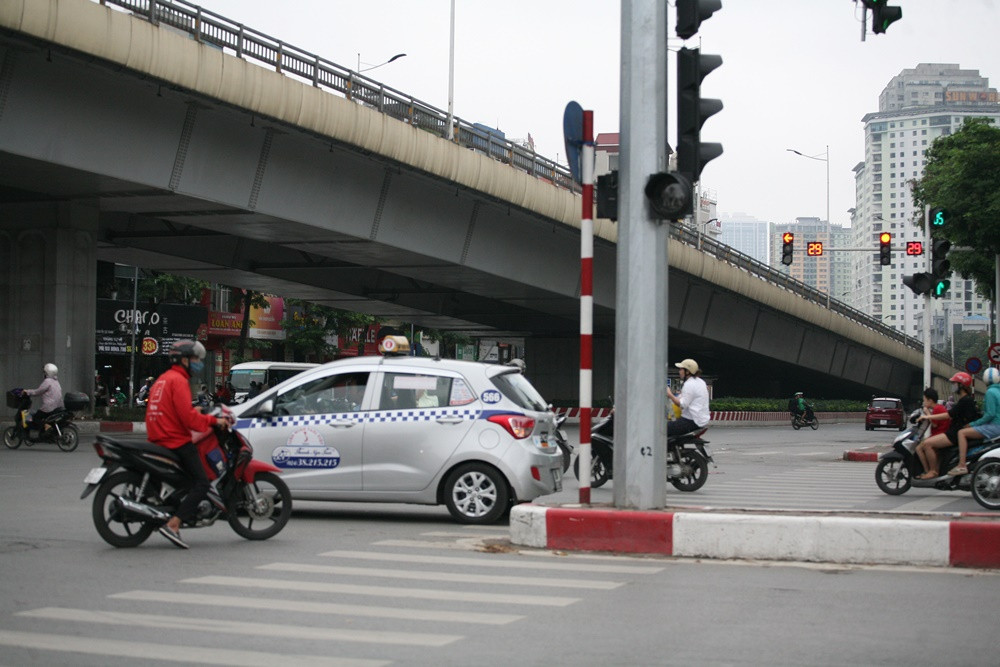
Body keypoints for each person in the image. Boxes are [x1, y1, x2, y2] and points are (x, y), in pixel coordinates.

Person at [146, 340, 233, 549]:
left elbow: (179, 411)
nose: (198, 363)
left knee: (187, 481)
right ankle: (174, 524)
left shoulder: (164, 379)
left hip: (158, 437)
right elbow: (188, 420)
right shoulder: (179, 381)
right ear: (184, 360)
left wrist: (200, 413)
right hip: (174, 440)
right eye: (195, 359)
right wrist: (214, 421)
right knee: (202, 483)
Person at [915, 372, 979, 480]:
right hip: (953, 432)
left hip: (953, 434)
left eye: (954, 383)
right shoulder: (966, 400)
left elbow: (948, 415)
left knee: (926, 444)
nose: (952, 386)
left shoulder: (965, 401)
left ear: (961, 385)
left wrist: (928, 417)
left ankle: (933, 472)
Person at [950, 367, 1000, 476]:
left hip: (994, 427)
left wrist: (972, 424)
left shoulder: (990, 392)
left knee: (962, 433)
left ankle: (962, 465)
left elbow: (990, 414)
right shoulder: (998, 391)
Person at [666, 358, 710, 437]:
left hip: (691, 420)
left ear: (687, 371)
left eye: (681, 369)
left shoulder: (689, 384)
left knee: (662, 429)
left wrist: (669, 394)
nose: (679, 371)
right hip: (702, 420)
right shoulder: (700, 381)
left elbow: (683, 404)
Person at [23, 363, 64, 431]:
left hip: (48, 408)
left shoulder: (47, 381)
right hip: (57, 407)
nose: (44, 374)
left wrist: (27, 392)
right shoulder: (56, 382)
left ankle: (46, 426)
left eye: (45, 372)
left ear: (47, 373)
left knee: (36, 418)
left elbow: (37, 392)